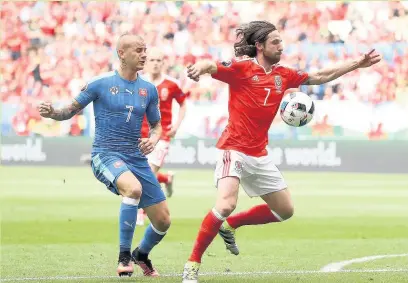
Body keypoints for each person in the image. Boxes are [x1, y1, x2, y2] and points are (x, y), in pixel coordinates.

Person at [181, 21, 381, 282]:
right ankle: (192, 264)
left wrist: (356, 64)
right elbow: (212, 66)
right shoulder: (242, 69)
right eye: (275, 42)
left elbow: (319, 77)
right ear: (259, 46)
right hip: (234, 149)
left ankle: (233, 225)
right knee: (226, 202)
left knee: (284, 210)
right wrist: (199, 67)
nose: (281, 46)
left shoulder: (283, 75)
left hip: (259, 154)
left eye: (281, 41)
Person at [38, 33, 171, 278]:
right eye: (139, 50)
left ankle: (140, 254)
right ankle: (123, 256)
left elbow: (157, 126)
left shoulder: (148, 89)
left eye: (145, 50)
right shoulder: (99, 84)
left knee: (163, 221)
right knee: (133, 189)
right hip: (106, 153)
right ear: (122, 53)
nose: (144, 55)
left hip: (136, 157)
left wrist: (153, 140)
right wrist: (53, 113)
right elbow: (69, 110)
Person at [137, 47, 187, 225]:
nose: (155, 64)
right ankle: (166, 179)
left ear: (163, 63)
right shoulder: (139, 82)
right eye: (152, 60)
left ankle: (140, 212)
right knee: (138, 173)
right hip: (140, 135)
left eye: (159, 60)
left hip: (162, 136)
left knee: (148, 173)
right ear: (146, 63)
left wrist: (177, 125)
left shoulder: (171, 84)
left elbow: (183, 104)